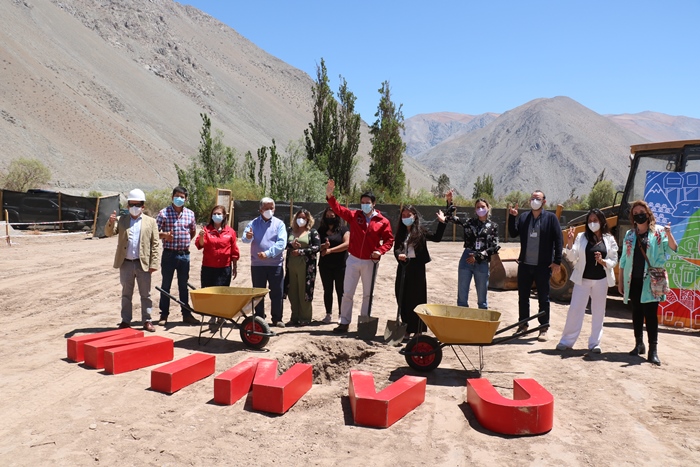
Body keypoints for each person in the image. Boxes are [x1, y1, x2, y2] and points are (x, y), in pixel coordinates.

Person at [325, 179, 394, 334]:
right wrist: (330, 196)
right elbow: (339, 210)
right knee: (347, 292)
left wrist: (380, 251)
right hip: (353, 259)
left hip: (370, 261)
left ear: (374, 203)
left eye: (367, 202)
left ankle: (364, 324)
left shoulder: (383, 222)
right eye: (362, 202)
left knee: (367, 294)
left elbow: (389, 239)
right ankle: (344, 322)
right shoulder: (355, 215)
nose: (365, 204)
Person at [618, 200, 677, 365]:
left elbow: (673, 248)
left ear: (648, 213)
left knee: (650, 315)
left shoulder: (658, 232)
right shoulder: (630, 235)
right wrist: (621, 281)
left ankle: (653, 350)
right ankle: (639, 344)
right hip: (633, 280)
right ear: (632, 217)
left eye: (641, 212)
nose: (639, 215)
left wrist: (670, 234)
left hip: (651, 281)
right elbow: (623, 260)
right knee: (636, 312)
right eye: (635, 213)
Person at [556, 209, 618, 353]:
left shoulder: (609, 238)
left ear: (602, 221)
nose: (592, 223)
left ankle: (595, 343)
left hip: (601, 281)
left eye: (595, 220)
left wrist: (603, 261)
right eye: (590, 221)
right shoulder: (581, 237)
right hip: (582, 280)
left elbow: (614, 259)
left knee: (598, 312)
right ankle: (566, 341)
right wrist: (570, 243)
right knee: (575, 310)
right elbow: (572, 258)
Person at [508, 190, 563, 341]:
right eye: (532, 198)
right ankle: (523, 324)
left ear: (544, 201)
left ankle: (543, 327)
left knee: (543, 297)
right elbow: (513, 233)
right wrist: (512, 217)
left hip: (543, 266)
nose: (534, 201)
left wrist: (557, 261)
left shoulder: (551, 218)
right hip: (525, 264)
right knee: (523, 296)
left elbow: (558, 239)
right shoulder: (524, 217)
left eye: (537, 198)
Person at [104, 189, 160, 332]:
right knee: (126, 294)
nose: (134, 207)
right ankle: (125, 321)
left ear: (143, 206)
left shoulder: (151, 222)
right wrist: (110, 222)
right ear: (128, 205)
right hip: (126, 263)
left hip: (143, 264)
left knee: (145, 295)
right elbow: (108, 233)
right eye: (131, 204)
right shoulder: (122, 220)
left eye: (137, 204)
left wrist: (153, 264)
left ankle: (147, 320)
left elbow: (155, 244)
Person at [394, 205, 446, 339]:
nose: (405, 218)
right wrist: (399, 255)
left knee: (416, 298)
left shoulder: (421, 231)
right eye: (403, 216)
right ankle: (405, 328)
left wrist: (442, 222)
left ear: (414, 216)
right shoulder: (401, 232)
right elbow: (397, 248)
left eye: (408, 215)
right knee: (402, 297)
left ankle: (417, 329)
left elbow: (436, 237)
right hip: (404, 267)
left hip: (417, 269)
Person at [446, 191, 499, 309]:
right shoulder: (470, 223)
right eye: (478, 207)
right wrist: (449, 202)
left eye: (482, 207)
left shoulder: (493, 226)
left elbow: (495, 247)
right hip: (466, 258)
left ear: (488, 208)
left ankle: (482, 322)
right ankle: (463, 319)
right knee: (462, 295)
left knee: (482, 298)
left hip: (482, 261)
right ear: (475, 209)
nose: (480, 209)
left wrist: (478, 256)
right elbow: (451, 218)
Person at [156, 186, 200, 326]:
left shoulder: (190, 214)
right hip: (169, 254)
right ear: (172, 197)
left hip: (184, 255)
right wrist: (164, 236)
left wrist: (185, 242)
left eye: (182, 197)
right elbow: (154, 233)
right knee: (166, 285)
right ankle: (164, 315)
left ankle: (186, 314)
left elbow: (192, 232)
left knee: (183, 285)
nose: (179, 199)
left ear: (186, 199)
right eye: (177, 196)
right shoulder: (163, 213)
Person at [242, 197, 287, 327]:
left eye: (271, 208)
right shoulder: (253, 224)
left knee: (277, 292)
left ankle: (277, 318)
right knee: (258, 294)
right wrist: (247, 237)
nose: (269, 210)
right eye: (266, 208)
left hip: (275, 265)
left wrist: (268, 254)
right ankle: (259, 317)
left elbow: (281, 243)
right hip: (257, 265)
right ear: (260, 210)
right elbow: (245, 238)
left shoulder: (279, 224)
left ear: (275, 209)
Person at [284, 209, 321, 325]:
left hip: (306, 266)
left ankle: (305, 318)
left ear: (308, 220)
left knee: (304, 291)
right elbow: (282, 243)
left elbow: (317, 247)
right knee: (292, 291)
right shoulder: (290, 231)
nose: (301, 220)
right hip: (291, 265)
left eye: (304, 218)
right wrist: (291, 245)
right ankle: (294, 317)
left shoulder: (312, 232)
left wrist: (301, 251)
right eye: (299, 217)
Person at [318, 207, 350, 324]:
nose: (330, 219)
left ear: (337, 217)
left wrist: (330, 250)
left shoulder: (343, 229)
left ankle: (342, 315)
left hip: (341, 265)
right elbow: (316, 246)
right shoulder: (321, 230)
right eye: (328, 216)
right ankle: (328, 314)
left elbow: (347, 244)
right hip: (325, 265)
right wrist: (323, 246)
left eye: (332, 216)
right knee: (327, 290)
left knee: (340, 290)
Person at [195, 205, 240, 286]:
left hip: (224, 269)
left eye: (219, 214)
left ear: (224, 216)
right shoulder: (206, 230)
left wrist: (235, 267)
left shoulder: (230, 232)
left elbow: (234, 251)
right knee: (208, 294)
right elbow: (200, 244)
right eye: (214, 214)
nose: (216, 216)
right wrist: (201, 236)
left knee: (222, 295)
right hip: (208, 267)